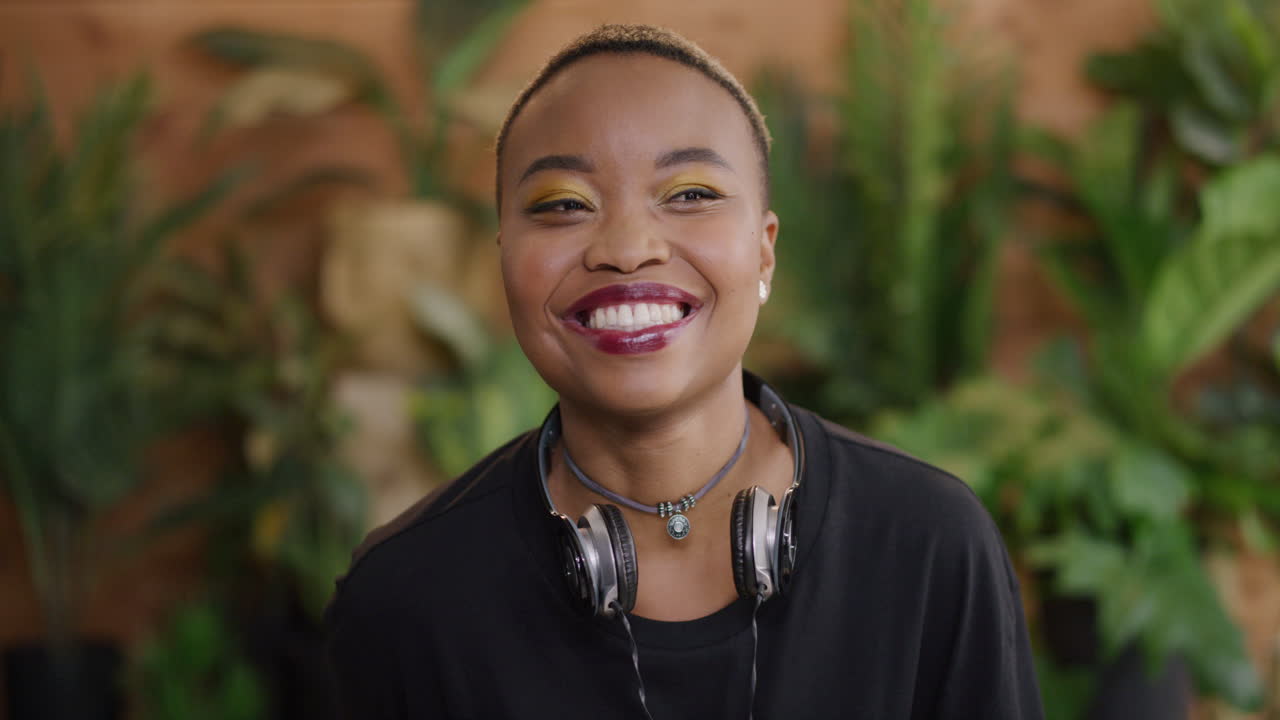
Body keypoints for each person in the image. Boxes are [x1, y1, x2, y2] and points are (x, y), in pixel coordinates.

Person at [324, 24, 1043, 719]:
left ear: (763, 253)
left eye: (690, 195)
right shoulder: (407, 598)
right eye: (564, 204)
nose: (629, 248)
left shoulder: (928, 545)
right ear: (504, 256)